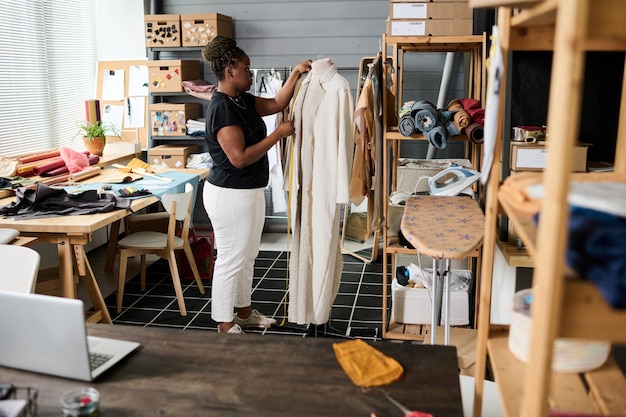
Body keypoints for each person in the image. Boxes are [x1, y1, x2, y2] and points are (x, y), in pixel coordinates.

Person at [201, 35, 312, 334]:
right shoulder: (223, 107)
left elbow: (277, 103)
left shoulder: (242, 100)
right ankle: (225, 324)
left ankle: (244, 312)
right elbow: (238, 158)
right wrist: (278, 135)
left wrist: (296, 73)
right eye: (247, 69)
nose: (251, 74)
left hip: (247, 192)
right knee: (230, 259)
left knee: (247, 256)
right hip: (229, 195)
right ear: (230, 70)